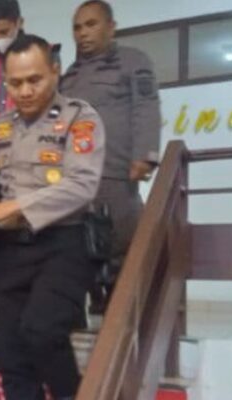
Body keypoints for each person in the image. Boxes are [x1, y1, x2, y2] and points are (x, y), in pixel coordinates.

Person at [0, 35, 105, 400]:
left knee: (42, 329)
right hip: (12, 249)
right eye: (15, 83)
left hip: (64, 244)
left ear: (55, 71)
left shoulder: (80, 118)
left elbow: (82, 186)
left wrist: (10, 207)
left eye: (34, 80)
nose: (24, 91)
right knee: (8, 351)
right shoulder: (1, 127)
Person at [0, 0, 62, 319]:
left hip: (34, 150)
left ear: (20, 23)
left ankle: (42, 291)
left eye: (4, 31)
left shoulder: (42, 54)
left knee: (34, 219)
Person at [60, 0, 161, 313]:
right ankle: (97, 298)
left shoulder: (133, 61)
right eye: (77, 27)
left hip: (117, 170)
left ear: (111, 27)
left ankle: (122, 302)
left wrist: (145, 155)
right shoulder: (69, 75)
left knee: (122, 237)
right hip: (77, 174)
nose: (83, 33)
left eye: (91, 24)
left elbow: (146, 107)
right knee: (81, 240)